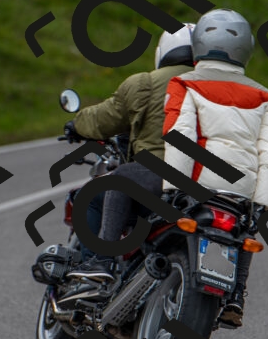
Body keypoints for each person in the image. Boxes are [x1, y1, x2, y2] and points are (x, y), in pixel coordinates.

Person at [162, 8, 268, 328]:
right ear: (246, 48)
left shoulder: (183, 83)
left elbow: (180, 137)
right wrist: (261, 204)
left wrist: (172, 189)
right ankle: (236, 295)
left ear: (198, 43)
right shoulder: (264, 95)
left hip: (198, 183)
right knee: (244, 230)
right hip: (240, 190)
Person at [63, 23, 196, 280]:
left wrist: (76, 125)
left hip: (158, 182)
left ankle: (93, 271)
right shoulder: (219, 87)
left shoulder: (146, 83)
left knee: (90, 198)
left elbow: (104, 119)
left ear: (164, 51)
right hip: (207, 188)